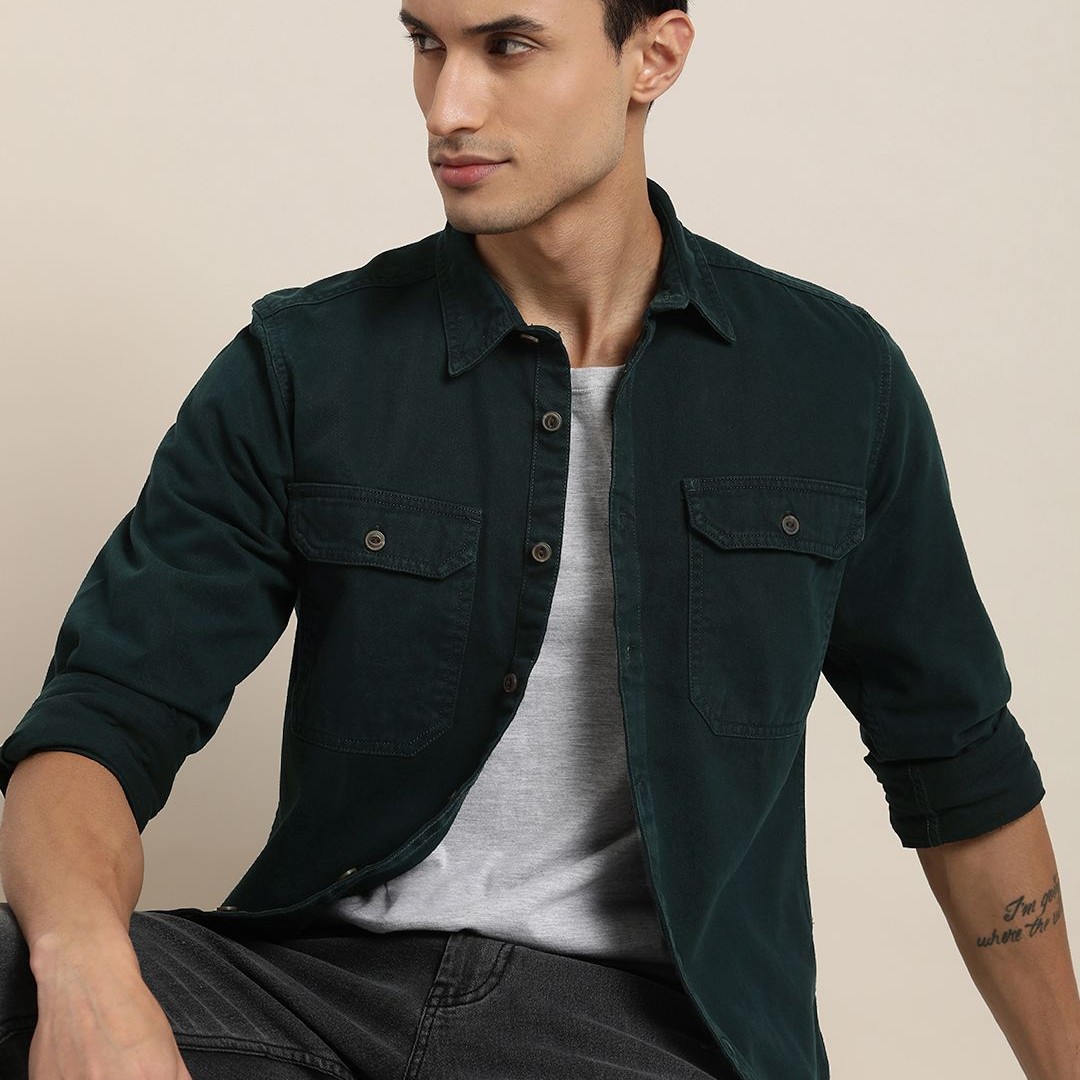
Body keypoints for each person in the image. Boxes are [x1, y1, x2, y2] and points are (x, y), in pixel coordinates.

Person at [0, 1, 1076, 1077]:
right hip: (312, 997)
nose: (447, 107)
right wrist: (83, 967)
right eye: (427, 44)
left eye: (507, 47)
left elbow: (956, 762)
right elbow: (102, 717)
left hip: (636, 1030)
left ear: (652, 57)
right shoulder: (306, 365)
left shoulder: (830, 381)